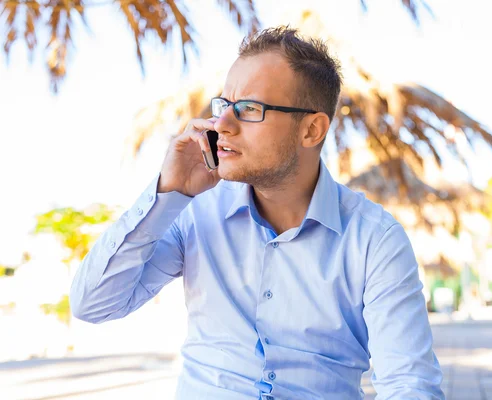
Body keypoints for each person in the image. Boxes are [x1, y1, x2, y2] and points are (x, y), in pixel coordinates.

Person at [70, 26, 444, 400]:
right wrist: (168, 193)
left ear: (312, 130)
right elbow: (93, 304)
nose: (222, 126)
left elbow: (409, 384)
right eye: (224, 106)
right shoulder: (194, 211)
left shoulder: (375, 239)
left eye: (249, 109)